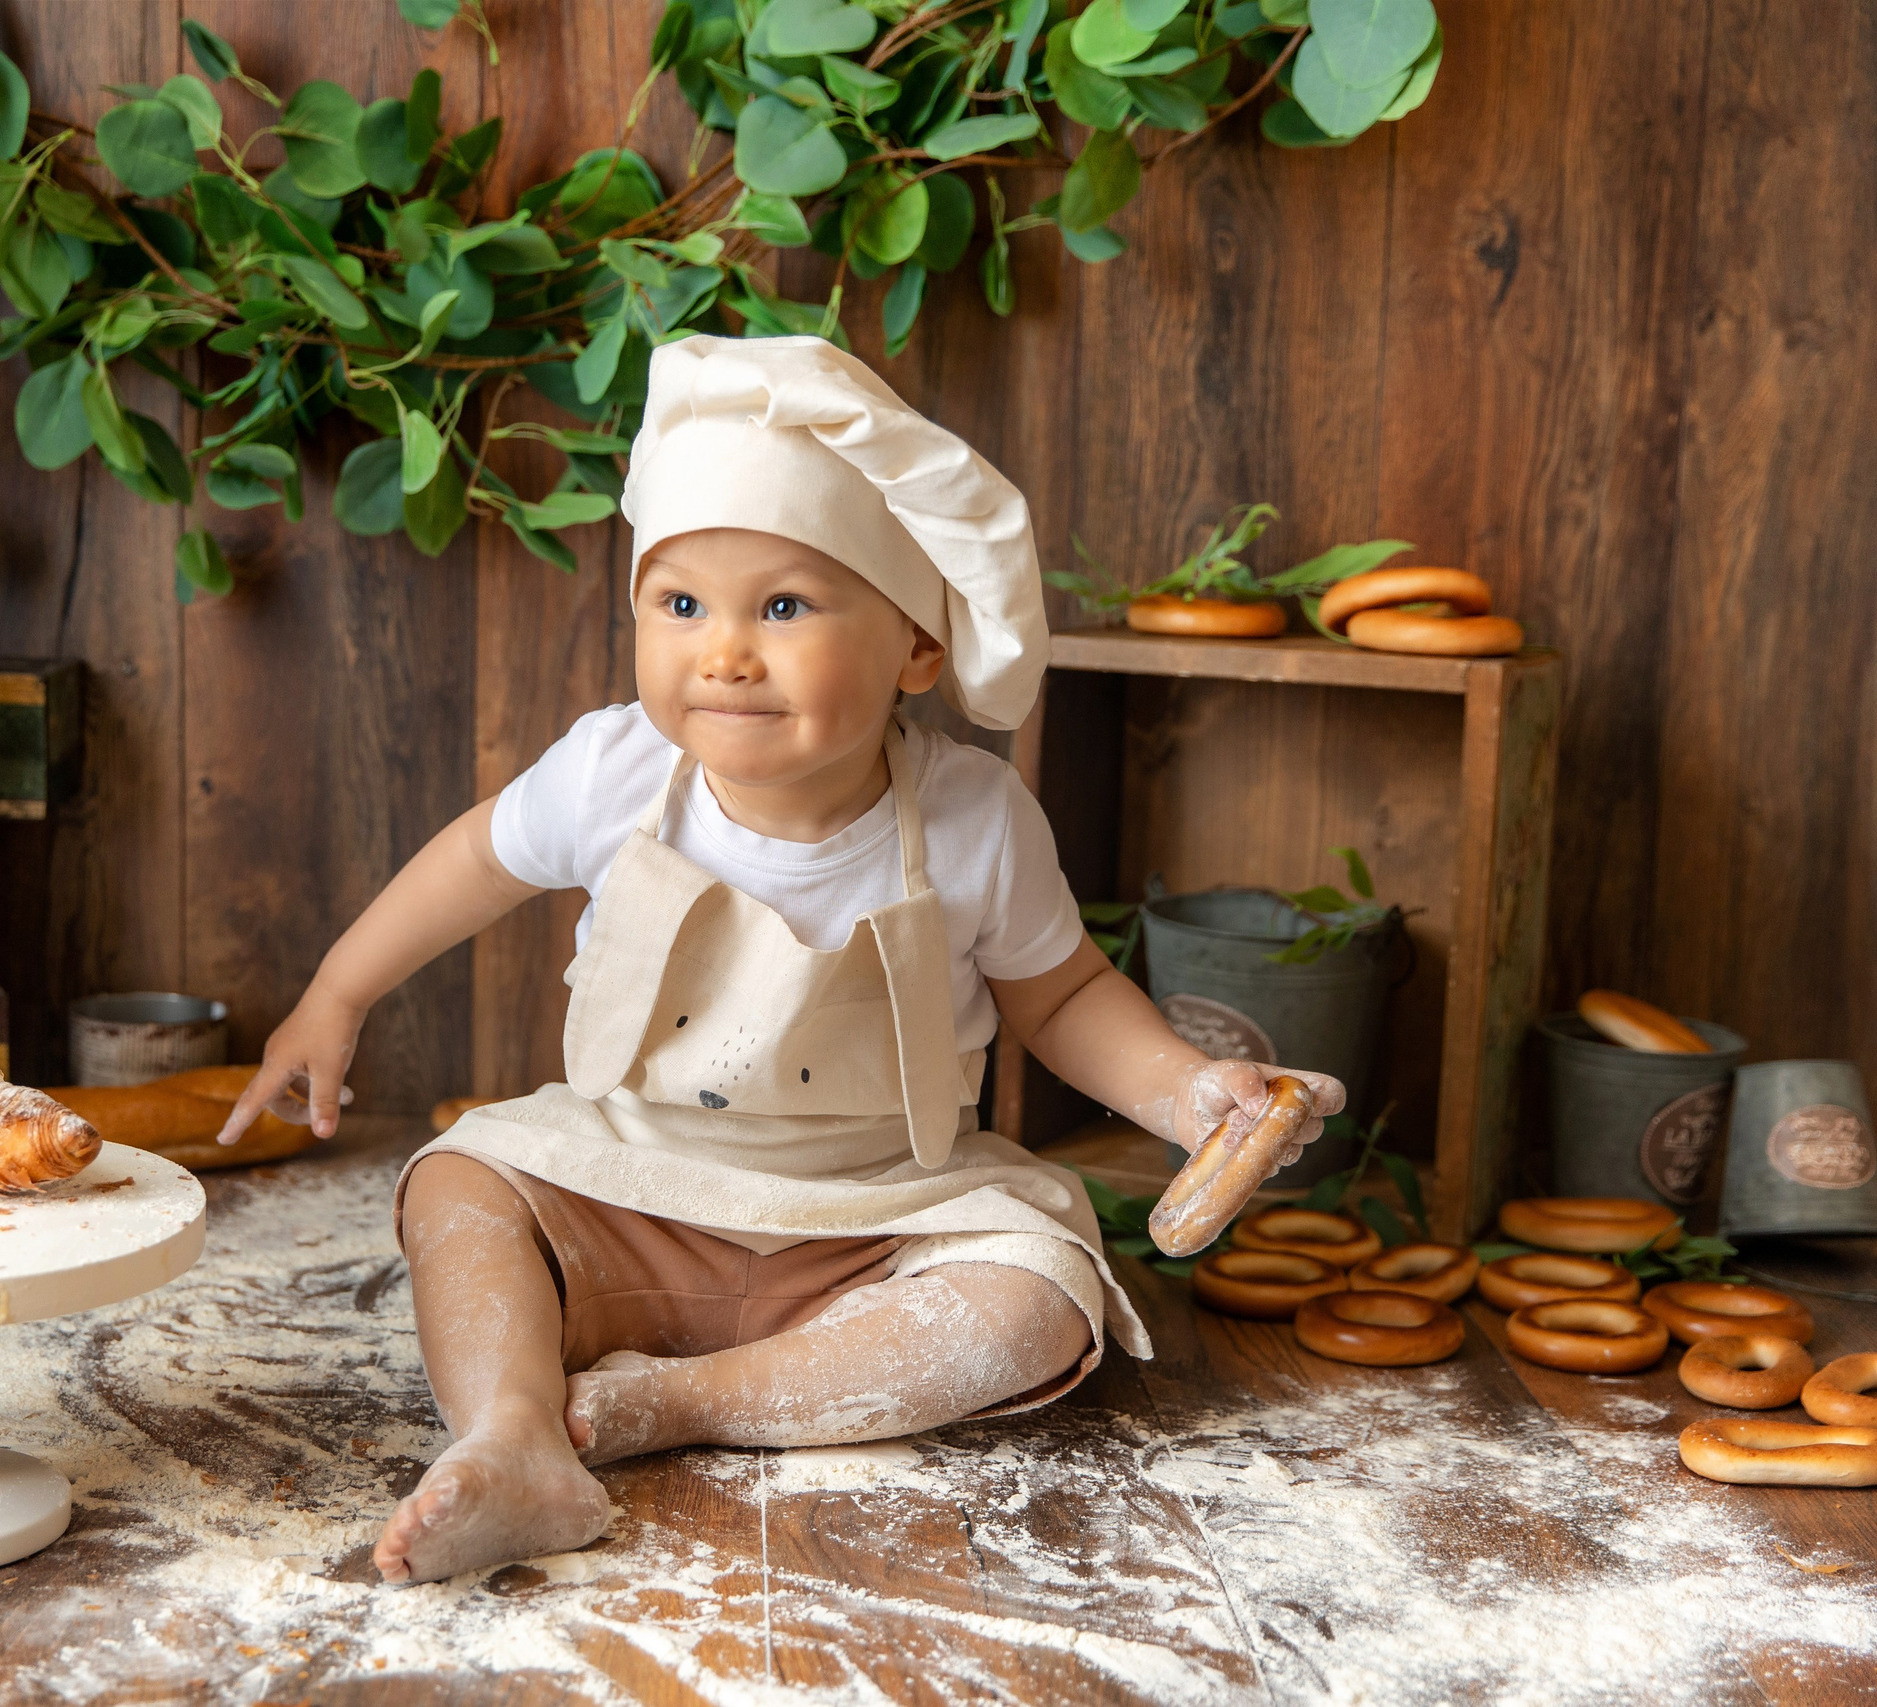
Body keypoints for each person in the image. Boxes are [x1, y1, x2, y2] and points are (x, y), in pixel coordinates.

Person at [216, 335, 1344, 1585]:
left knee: (1037, 1297)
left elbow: (1067, 994)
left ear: (917, 648)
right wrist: (338, 990)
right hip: (629, 1192)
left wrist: (1186, 1091)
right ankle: (515, 1433)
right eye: (680, 605)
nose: (724, 653)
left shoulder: (971, 817)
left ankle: (667, 1405)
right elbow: (477, 861)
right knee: (458, 1185)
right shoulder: (615, 774)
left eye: (785, 607)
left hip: (871, 1225)